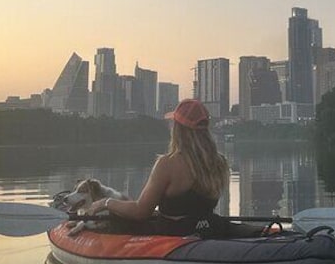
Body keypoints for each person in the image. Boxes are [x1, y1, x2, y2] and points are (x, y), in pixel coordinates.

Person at [86, 99, 229, 233]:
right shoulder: (220, 162)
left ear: (178, 129)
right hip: (207, 229)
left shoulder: (168, 163)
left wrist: (105, 202)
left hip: (174, 237)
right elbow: (192, 210)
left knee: (117, 219)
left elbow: (140, 211)